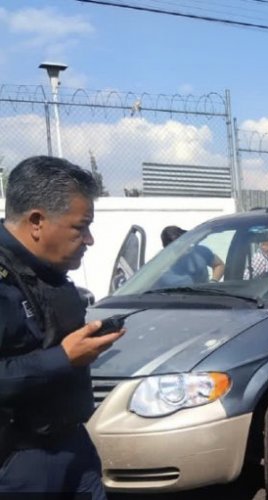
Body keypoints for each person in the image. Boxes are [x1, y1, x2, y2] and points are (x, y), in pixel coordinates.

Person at [0, 156, 125, 497]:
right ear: (37, 222)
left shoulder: (48, 272)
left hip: (72, 445)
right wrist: (64, 358)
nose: (89, 240)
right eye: (80, 227)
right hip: (17, 462)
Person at [160, 225, 225, 283]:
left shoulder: (200, 251)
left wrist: (213, 281)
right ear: (167, 250)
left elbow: (218, 265)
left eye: (185, 242)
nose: (186, 247)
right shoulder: (160, 268)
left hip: (205, 294)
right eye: (179, 247)